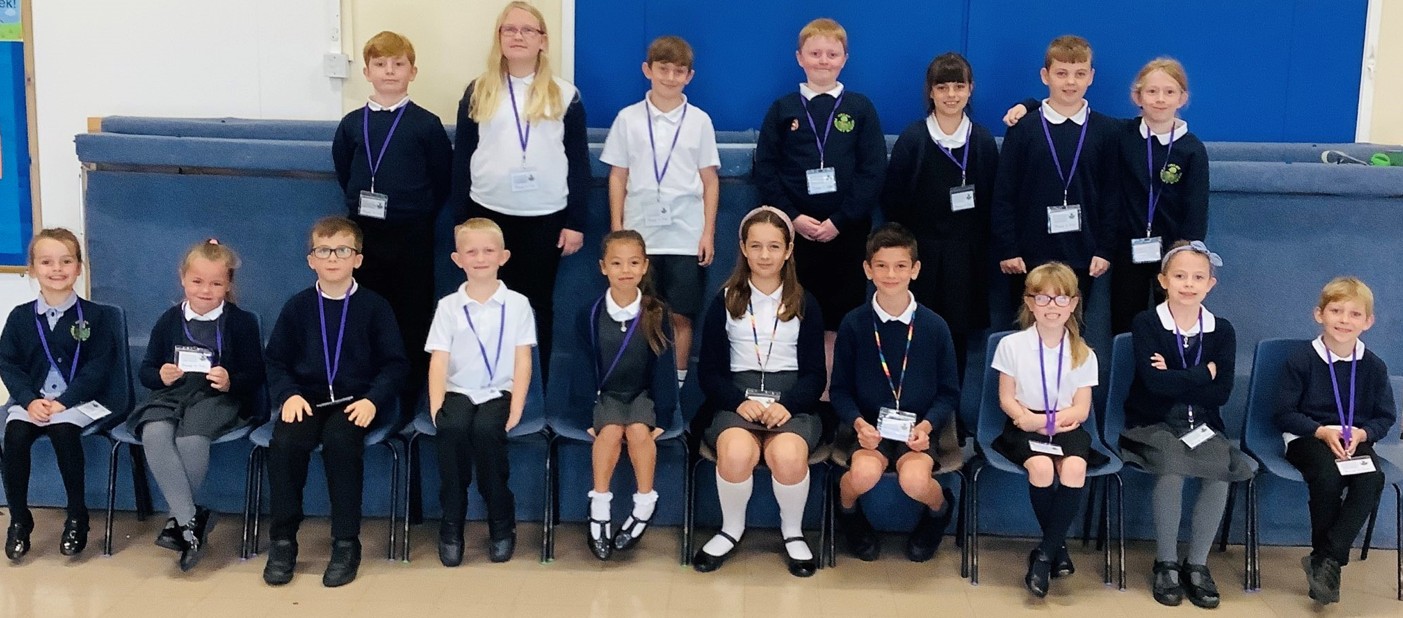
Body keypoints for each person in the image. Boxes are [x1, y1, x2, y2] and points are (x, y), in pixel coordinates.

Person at [262, 216, 408, 587]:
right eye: (324, 251)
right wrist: (288, 394)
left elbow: (395, 364)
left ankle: (345, 543)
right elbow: (275, 360)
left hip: (358, 402)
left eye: (342, 250)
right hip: (306, 400)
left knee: (341, 443)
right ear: (311, 259)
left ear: (357, 259)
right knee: (286, 443)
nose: (332, 258)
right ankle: (283, 541)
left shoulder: (375, 307)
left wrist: (374, 400)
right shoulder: (298, 307)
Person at [451, 1, 590, 378]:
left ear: (543, 40)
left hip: (544, 217)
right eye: (509, 29)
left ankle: (532, 387)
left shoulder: (565, 94)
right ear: (498, 38)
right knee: (485, 300)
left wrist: (576, 221)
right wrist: (461, 219)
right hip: (487, 214)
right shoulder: (478, 90)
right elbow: (463, 156)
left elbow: (578, 161)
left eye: (528, 30)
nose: (518, 36)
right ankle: (488, 382)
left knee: (536, 305)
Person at [692, 206, 825, 577]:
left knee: (787, 455)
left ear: (789, 250)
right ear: (743, 248)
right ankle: (731, 529)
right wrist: (738, 402)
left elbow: (816, 375)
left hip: (792, 401)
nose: (765, 255)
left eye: (774, 246)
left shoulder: (806, 303)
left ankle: (792, 532)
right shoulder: (724, 301)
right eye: (756, 246)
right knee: (736, 453)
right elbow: (709, 373)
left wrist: (788, 405)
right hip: (736, 398)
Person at [753, 17, 887, 375]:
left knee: (838, 320)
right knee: (793, 314)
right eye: (815, 54)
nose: (823, 60)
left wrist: (839, 220)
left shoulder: (859, 108)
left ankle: (830, 396)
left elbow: (872, 170)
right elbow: (765, 168)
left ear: (844, 59)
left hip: (846, 233)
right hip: (792, 236)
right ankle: (795, 393)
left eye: (832, 54)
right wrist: (792, 217)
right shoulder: (783, 109)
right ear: (800, 58)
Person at [1121, 241, 1251, 608]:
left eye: (1197, 277)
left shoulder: (1222, 331)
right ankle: (1166, 563)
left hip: (1203, 423)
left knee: (1219, 469)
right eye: (1180, 276)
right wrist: (1201, 373)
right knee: (1172, 466)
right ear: (1163, 280)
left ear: (1210, 284)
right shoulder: (1147, 323)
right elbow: (1153, 385)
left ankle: (1196, 564)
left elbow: (1221, 393)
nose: (1188, 284)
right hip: (1153, 421)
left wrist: (1175, 374)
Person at [127, 239, 265, 571]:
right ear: (183, 279)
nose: (205, 290)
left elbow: (255, 374)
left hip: (216, 398)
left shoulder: (241, 322)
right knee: (154, 433)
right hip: (171, 395)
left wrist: (230, 380)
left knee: (191, 440)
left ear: (228, 284)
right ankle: (191, 522)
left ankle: (180, 524)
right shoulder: (169, 320)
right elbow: (147, 372)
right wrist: (160, 375)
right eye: (197, 281)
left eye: (216, 283)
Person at [331, 30, 452, 400]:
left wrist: (416, 210)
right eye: (380, 64)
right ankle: (371, 388)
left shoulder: (426, 124)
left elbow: (442, 176)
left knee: (412, 310)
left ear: (412, 72)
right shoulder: (352, 123)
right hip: (364, 232)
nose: (389, 71)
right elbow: (343, 169)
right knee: (367, 306)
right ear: (366, 72)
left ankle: (411, 390)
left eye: (398, 64)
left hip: (412, 232)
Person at [831, 223, 960, 563]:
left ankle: (938, 512)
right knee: (863, 474)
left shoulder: (935, 326)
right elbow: (840, 390)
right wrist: (859, 424)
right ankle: (848, 513)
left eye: (900, 266)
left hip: (917, 431)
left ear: (915, 270)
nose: (891, 274)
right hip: (869, 430)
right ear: (868, 269)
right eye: (882, 266)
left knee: (915, 481)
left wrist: (927, 427)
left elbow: (949, 392)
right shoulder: (854, 324)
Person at [1, 228, 125, 562]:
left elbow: (99, 366)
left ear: (79, 267)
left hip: (80, 402)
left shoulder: (95, 317)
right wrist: (29, 400)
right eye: (46, 262)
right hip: (33, 401)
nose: (57, 269)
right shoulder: (20, 317)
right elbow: (8, 364)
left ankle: (76, 516)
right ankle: (19, 519)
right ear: (32, 269)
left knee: (62, 431)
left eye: (66, 261)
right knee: (15, 435)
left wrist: (64, 402)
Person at [600, 35, 719, 383]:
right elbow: (618, 176)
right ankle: (639, 383)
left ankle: (676, 387)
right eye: (663, 69)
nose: (670, 77)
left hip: (686, 237)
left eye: (678, 71)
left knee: (681, 315)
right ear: (647, 70)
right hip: (640, 236)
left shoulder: (699, 121)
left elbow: (710, 181)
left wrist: (708, 233)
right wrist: (617, 229)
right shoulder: (628, 119)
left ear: (689, 76)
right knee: (639, 313)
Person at [1275, 276, 1396, 605]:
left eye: (1355, 314)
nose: (1344, 320)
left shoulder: (1373, 366)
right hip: (1307, 436)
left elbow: (1384, 417)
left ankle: (1326, 558)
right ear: (1320, 314)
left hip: (1353, 439)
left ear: (1368, 322)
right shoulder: (1301, 360)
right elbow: (1284, 413)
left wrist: (1362, 434)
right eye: (1336, 311)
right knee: (1328, 476)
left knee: (1371, 479)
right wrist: (1321, 431)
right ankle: (1326, 562)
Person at [426, 218, 537, 566]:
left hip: (499, 392)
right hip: (458, 391)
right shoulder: (448, 306)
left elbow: (523, 360)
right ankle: (451, 524)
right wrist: (436, 407)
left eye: (488, 250)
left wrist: (517, 406)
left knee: (488, 432)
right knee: (453, 430)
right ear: (457, 259)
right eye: (471, 252)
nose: (480, 258)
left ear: (503, 256)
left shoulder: (518, 304)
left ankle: (501, 523)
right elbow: (439, 360)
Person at [881, 52, 998, 381]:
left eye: (959, 86)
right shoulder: (914, 139)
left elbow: (992, 203)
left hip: (966, 259)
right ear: (930, 92)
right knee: (913, 335)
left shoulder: (982, 141)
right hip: (921, 258)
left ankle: (950, 407)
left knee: (956, 341)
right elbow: (893, 201)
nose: (951, 95)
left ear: (970, 90)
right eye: (942, 87)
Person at [990, 261, 1104, 597]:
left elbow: (1081, 410)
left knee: (1075, 467)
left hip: (1064, 424)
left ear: (1073, 303)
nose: (1051, 306)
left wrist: (1043, 422)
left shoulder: (1084, 353)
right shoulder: (1012, 345)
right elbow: (1006, 399)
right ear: (1029, 302)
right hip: (1022, 424)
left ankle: (1043, 555)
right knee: (1040, 467)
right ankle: (1057, 549)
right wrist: (1028, 419)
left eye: (1060, 298)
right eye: (1042, 298)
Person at [991, 35, 1117, 311]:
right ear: (1045, 76)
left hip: (1083, 255)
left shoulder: (1106, 131)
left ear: (1091, 77)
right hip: (1027, 256)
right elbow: (1004, 193)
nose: (1070, 82)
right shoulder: (1023, 128)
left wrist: (1105, 249)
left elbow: (1111, 195)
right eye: (1061, 73)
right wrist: (1008, 248)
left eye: (1079, 74)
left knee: (1072, 328)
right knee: (1026, 328)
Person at [577, 230, 678, 560]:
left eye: (634, 263)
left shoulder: (657, 312)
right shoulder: (590, 313)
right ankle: (600, 507)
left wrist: (664, 414)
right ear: (603, 267)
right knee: (608, 433)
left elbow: (663, 367)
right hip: (607, 394)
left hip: (641, 394)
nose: (625, 270)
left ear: (645, 266)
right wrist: (584, 412)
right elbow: (581, 365)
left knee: (637, 432)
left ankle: (645, 502)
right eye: (617, 263)